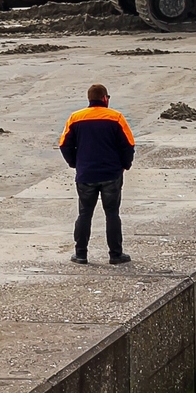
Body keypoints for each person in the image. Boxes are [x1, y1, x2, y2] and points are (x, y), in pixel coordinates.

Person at [58, 83, 135, 264]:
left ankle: (81, 253)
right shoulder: (116, 118)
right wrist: (125, 165)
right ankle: (115, 254)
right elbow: (128, 145)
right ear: (105, 99)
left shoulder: (75, 118)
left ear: (89, 99)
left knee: (85, 213)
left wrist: (75, 163)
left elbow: (64, 145)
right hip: (111, 174)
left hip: (86, 174)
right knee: (112, 214)